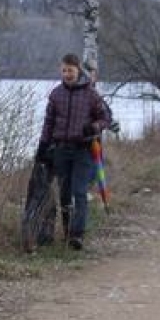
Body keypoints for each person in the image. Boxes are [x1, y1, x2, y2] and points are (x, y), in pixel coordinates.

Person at [37, 53, 111, 250]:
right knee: (64, 194)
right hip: (61, 149)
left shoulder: (91, 94)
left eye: (70, 70)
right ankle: (68, 231)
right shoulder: (56, 94)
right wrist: (43, 146)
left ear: (78, 70)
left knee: (79, 192)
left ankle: (77, 236)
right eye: (64, 70)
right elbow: (49, 123)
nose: (67, 74)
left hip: (84, 150)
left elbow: (105, 118)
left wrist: (94, 127)